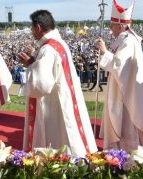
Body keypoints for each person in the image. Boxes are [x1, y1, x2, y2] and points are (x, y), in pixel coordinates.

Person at [17, 10, 97, 157]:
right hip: (64, 95)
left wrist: (29, 65)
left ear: (39, 28)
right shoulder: (58, 43)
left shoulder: (48, 49)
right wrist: (34, 58)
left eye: (32, 28)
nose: (31, 31)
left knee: (60, 137)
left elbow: (41, 84)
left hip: (55, 103)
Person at [96, 0, 143, 151]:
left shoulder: (128, 42)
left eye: (112, 25)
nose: (110, 28)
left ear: (120, 26)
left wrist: (104, 52)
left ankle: (127, 156)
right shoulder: (125, 40)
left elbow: (120, 66)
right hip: (122, 88)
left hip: (125, 93)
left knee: (126, 125)